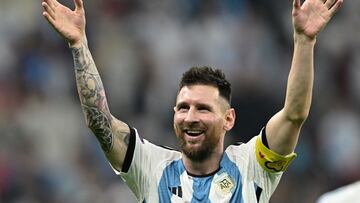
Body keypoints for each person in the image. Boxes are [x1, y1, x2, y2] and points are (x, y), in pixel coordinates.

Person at [41, 0, 343, 202]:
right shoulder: (151, 167)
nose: (190, 116)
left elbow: (293, 115)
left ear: (229, 119)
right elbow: (99, 121)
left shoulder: (253, 166)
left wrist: (305, 41)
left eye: (203, 108)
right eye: (183, 108)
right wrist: (78, 44)